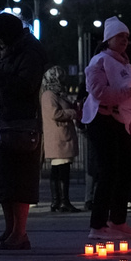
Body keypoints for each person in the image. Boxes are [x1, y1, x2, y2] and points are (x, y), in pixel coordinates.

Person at [0, 11, 47, 250]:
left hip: (20, 125)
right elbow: (8, 83)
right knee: (5, 180)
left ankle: (19, 233)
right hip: (6, 122)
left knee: (19, 180)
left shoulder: (29, 52)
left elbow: (26, 85)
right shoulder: (11, 50)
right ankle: (10, 230)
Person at [82, 17, 131, 240]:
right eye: (120, 36)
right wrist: (129, 93)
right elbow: (99, 92)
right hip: (102, 120)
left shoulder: (126, 66)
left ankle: (118, 221)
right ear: (108, 38)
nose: (125, 40)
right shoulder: (99, 61)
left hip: (120, 122)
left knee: (126, 172)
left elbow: (128, 103)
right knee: (109, 172)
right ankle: (97, 225)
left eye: (127, 37)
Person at [40, 66, 81, 212]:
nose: (63, 80)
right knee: (61, 171)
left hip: (61, 137)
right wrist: (73, 112)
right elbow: (55, 113)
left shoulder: (57, 94)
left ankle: (58, 201)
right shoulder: (49, 95)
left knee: (60, 170)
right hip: (59, 138)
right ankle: (62, 201)